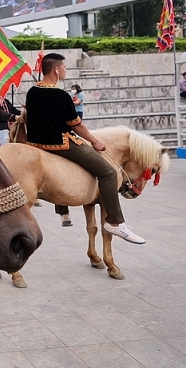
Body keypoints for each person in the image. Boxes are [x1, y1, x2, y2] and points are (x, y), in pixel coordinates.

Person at [25, 53, 145, 243]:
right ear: (56, 69)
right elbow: (76, 126)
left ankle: (63, 210)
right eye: (64, 67)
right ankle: (114, 221)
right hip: (59, 143)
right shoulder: (60, 95)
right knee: (108, 172)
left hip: (35, 143)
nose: (65, 70)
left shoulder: (32, 92)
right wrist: (95, 141)